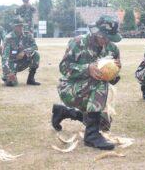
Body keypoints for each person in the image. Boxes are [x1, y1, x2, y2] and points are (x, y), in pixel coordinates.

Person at [51, 15, 122, 150]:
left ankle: (64, 112)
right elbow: (63, 68)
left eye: (110, 38)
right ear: (96, 32)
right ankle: (91, 136)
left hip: (92, 91)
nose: (106, 41)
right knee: (100, 83)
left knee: (103, 124)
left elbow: (111, 80)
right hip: (70, 88)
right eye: (104, 37)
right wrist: (87, 69)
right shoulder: (78, 43)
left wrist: (115, 71)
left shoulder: (112, 49)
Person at [2, 16, 40, 86]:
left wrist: (24, 52)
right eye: (18, 26)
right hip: (12, 63)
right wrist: (8, 72)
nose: (21, 27)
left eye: (22, 26)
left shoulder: (28, 35)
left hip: (23, 61)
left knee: (36, 54)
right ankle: (7, 78)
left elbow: (34, 46)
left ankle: (31, 79)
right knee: (12, 83)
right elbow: (5, 57)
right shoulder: (8, 38)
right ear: (14, 27)